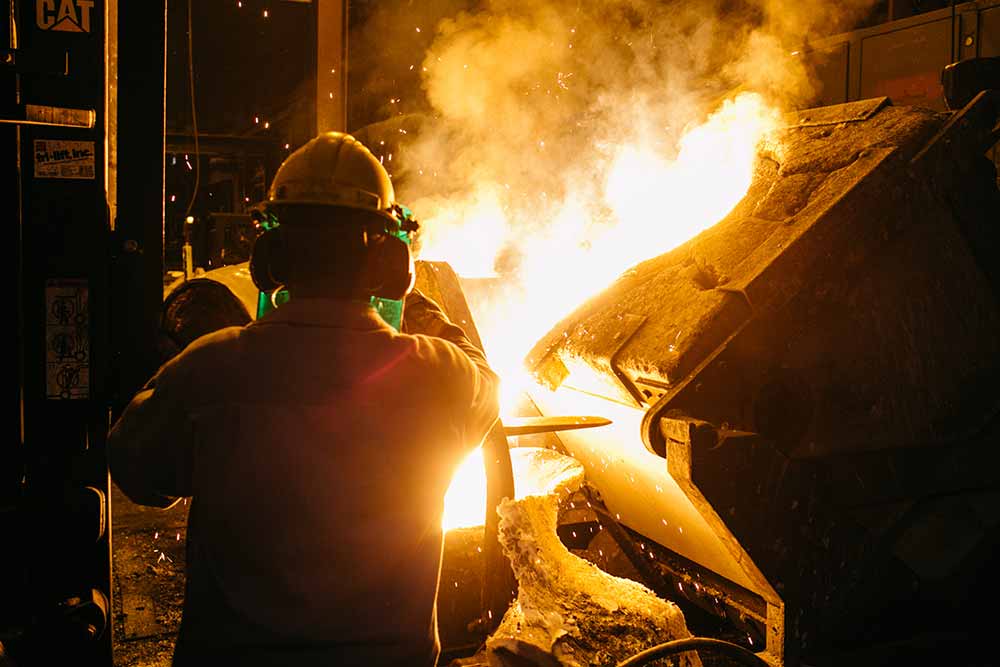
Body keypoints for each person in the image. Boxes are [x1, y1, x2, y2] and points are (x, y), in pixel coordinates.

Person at [108, 132, 500, 667]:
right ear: (392, 265)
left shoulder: (209, 368)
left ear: (271, 257)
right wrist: (423, 312)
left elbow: (138, 472)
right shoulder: (441, 374)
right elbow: (485, 381)